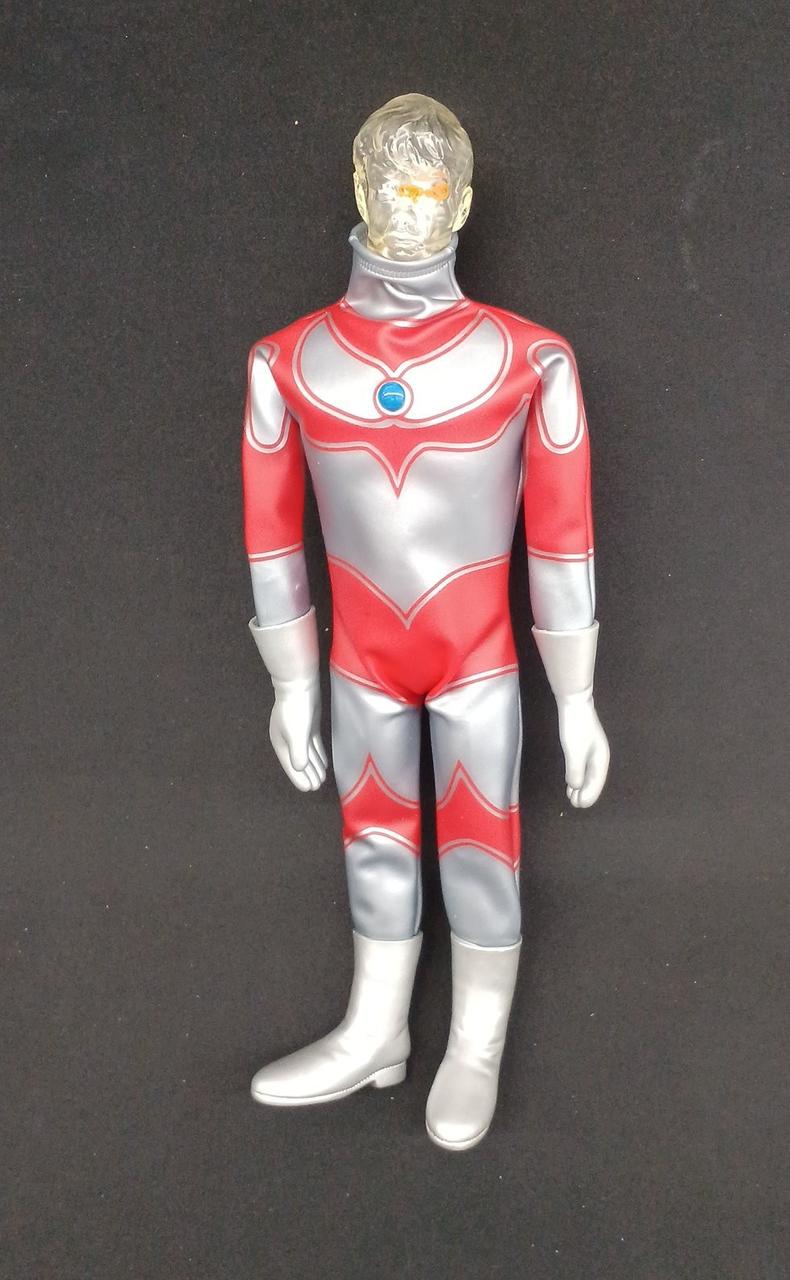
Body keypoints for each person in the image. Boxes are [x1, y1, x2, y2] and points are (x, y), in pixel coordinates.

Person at [242, 93, 610, 1150]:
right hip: (359, 661)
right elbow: (270, 536)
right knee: (373, 837)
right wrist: (290, 681)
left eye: (429, 186)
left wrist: (577, 697)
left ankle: (475, 1041)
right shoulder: (285, 361)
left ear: (463, 203)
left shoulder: (533, 361)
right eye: (390, 186)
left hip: (477, 663)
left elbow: (563, 538)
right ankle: (377, 1028)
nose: (409, 208)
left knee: (482, 842)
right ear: (358, 190)